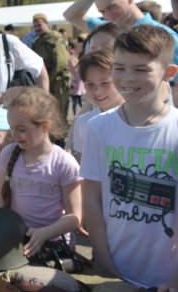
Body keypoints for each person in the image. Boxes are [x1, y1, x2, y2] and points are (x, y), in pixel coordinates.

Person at [81, 25, 178, 290]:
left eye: (141, 69)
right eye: (120, 68)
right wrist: (101, 255)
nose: (127, 78)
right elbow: (91, 196)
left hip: (167, 276)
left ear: (168, 73)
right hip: (113, 268)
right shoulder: (99, 127)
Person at [0, 86, 82, 257]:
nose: (14, 134)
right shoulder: (8, 154)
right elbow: (0, 196)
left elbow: (74, 217)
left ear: (45, 126)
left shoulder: (64, 163)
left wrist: (44, 233)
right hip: (17, 241)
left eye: (21, 129)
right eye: (11, 127)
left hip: (54, 245)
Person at [63, 0, 178, 81]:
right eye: (102, 11)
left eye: (112, 6)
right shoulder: (106, 30)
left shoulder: (166, 37)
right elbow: (71, 15)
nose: (108, 15)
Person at [72, 48, 125, 163]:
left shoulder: (138, 120)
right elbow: (83, 167)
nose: (97, 91)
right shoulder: (83, 123)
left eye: (105, 83)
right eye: (90, 84)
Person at [31, 13, 71, 123]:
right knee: (46, 111)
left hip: (57, 81)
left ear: (46, 24)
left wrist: (48, 79)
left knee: (59, 112)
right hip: (44, 82)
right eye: (35, 26)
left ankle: (61, 139)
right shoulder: (36, 42)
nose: (37, 28)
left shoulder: (55, 38)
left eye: (39, 25)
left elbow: (61, 62)